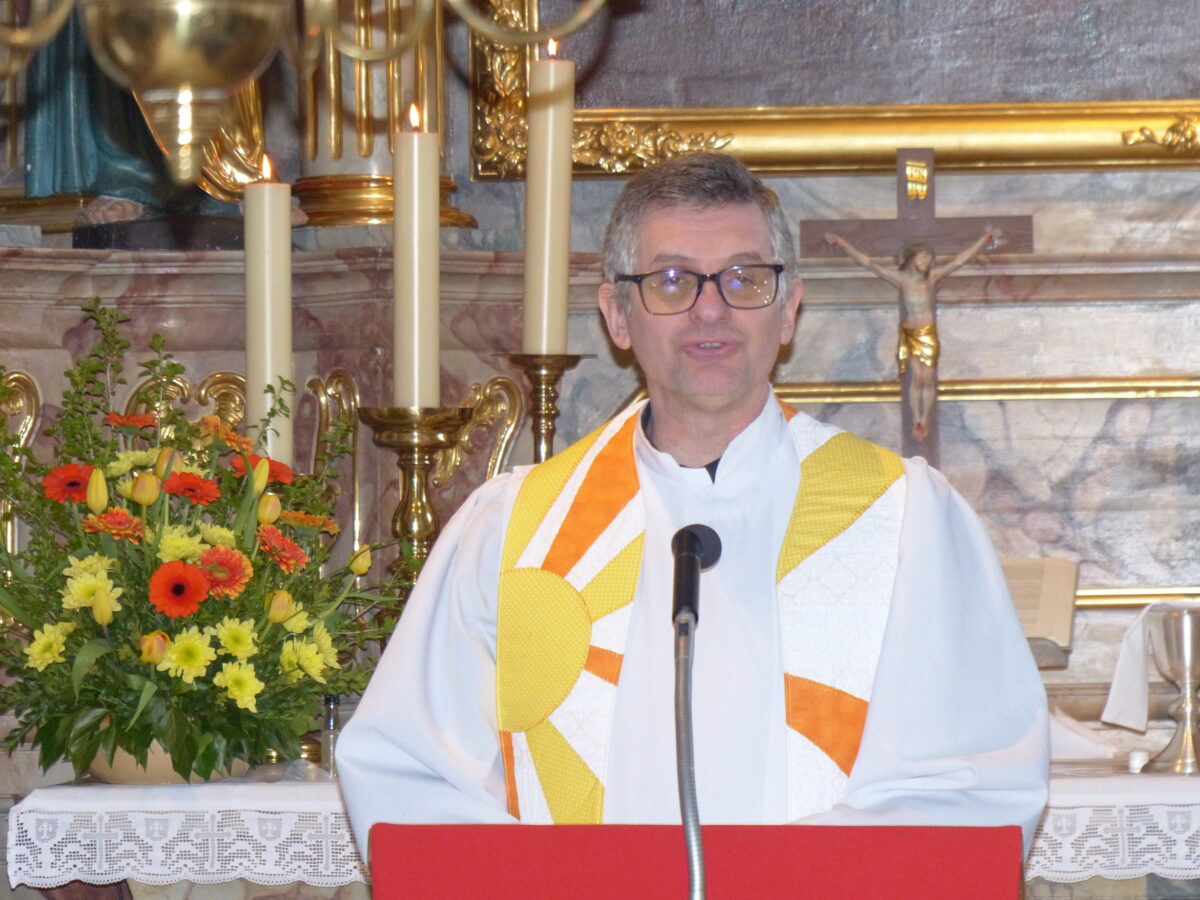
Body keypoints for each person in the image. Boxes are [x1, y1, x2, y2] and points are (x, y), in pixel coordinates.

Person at [337, 153, 1048, 859]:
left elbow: (970, 787)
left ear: (789, 307)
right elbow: (413, 780)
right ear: (617, 315)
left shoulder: (904, 521)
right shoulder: (510, 532)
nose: (711, 310)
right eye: (672, 280)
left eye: (744, 278)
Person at [824, 229, 1000, 439]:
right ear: (912, 258)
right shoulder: (901, 279)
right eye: (924, 257)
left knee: (928, 378)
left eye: (930, 259)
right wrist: (841, 242)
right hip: (910, 332)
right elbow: (868, 263)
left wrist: (982, 240)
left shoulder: (931, 279)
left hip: (928, 333)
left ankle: (925, 417)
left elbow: (959, 261)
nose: (928, 262)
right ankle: (917, 420)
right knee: (916, 379)